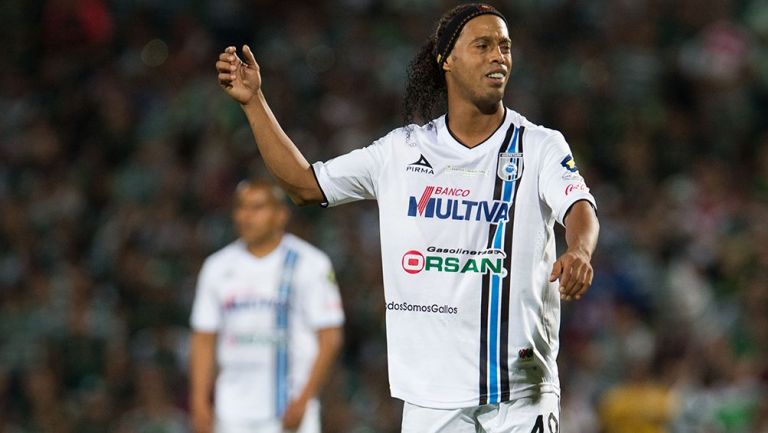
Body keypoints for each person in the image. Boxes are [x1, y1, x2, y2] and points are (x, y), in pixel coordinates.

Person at [215, 3, 599, 432]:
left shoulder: (539, 145)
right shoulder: (402, 152)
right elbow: (306, 185)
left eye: (505, 47)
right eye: (483, 45)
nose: (498, 56)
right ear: (447, 59)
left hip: (519, 394)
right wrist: (254, 103)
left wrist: (579, 250)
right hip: (430, 398)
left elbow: (578, 206)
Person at [188, 180, 345, 433]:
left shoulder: (310, 264)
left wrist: (304, 399)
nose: (246, 216)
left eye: (257, 208)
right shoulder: (217, 267)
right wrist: (198, 400)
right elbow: (203, 338)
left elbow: (330, 337)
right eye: (241, 207)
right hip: (232, 409)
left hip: (288, 406)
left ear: (281, 215)